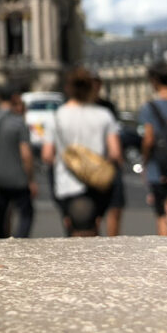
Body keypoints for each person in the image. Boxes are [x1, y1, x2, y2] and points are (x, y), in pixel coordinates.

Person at [43, 68, 121, 237]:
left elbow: (47, 155)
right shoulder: (104, 115)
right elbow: (115, 153)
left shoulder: (57, 117)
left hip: (67, 184)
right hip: (97, 184)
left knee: (73, 231)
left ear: (68, 88)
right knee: (93, 229)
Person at [0, 85, 35, 237]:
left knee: (1, 214)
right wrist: (31, 178)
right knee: (26, 214)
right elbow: (26, 154)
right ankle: (20, 242)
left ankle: (0, 245)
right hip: (18, 178)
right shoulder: (18, 122)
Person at [138, 62, 167, 236]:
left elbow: (148, 139)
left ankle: (166, 256)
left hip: (159, 167)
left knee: (163, 214)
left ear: (154, 80)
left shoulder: (149, 107)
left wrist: (144, 161)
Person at [92, 74, 124, 237]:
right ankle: (109, 242)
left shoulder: (106, 107)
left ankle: (102, 242)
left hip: (95, 164)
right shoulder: (107, 110)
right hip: (103, 163)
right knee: (110, 208)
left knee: (104, 209)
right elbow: (115, 145)